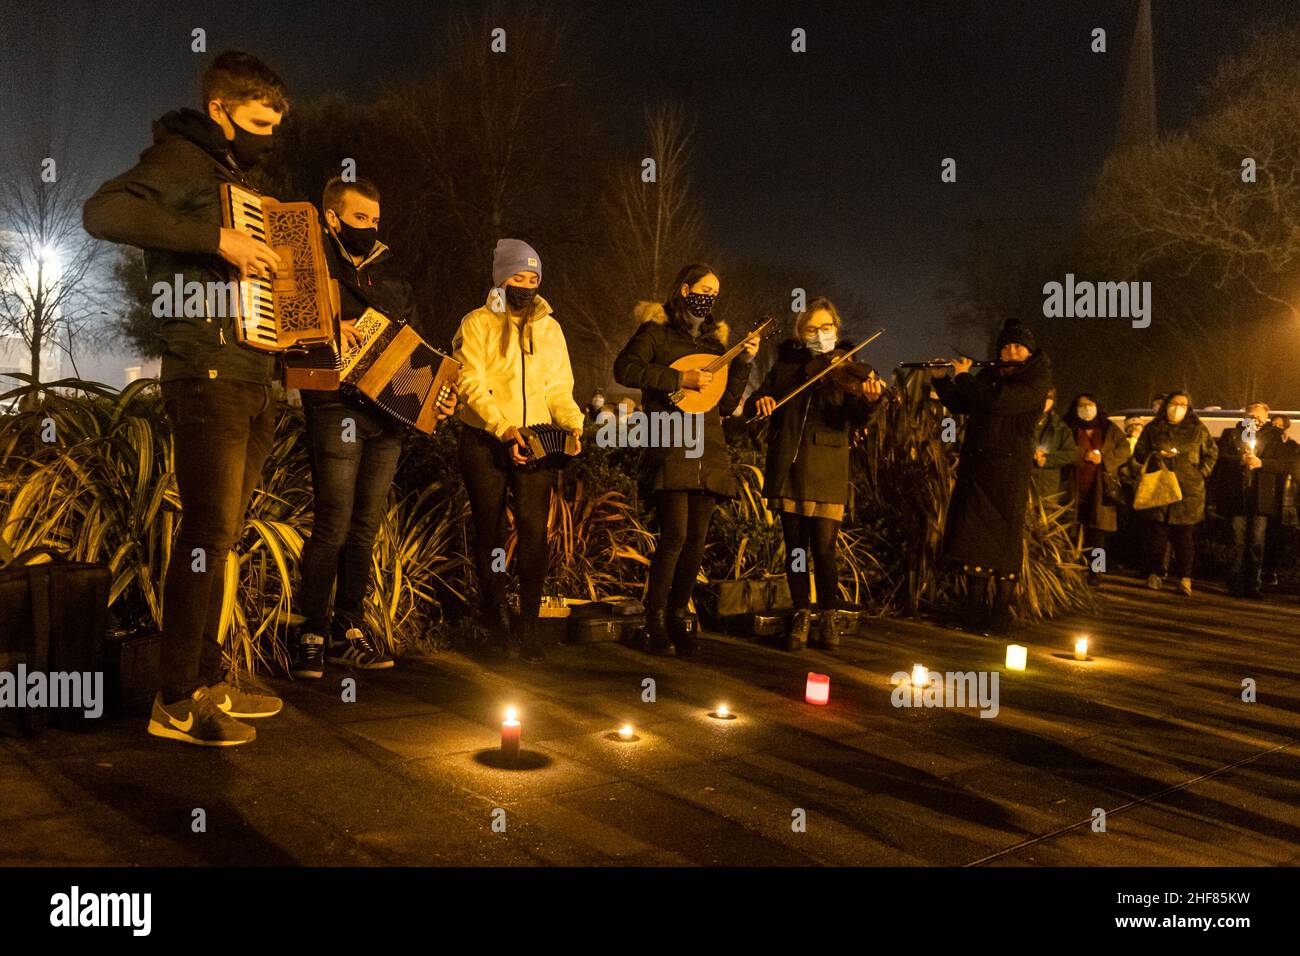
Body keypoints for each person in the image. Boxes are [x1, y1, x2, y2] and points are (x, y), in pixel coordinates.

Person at [83, 50, 290, 747]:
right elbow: (102, 211)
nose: (268, 137)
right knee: (206, 534)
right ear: (221, 110)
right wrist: (216, 238)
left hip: (251, 373)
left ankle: (207, 677)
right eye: (258, 122)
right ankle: (174, 699)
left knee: (222, 536)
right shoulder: (180, 159)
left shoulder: (233, 174)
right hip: (205, 370)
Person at [289, 176, 456, 679]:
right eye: (360, 219)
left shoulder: (393, 277)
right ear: (332, 218)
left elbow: (416, 348)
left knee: (364, 528)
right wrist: (325, 326)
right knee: (333, 524)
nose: (370, 228)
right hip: (334, 408)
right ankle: (309, 631)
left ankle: (348, 628)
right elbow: (290, 327)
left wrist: (437, 395)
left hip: (389, 418)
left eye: (376, 221)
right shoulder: (308, 263)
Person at [614, 264, 760, 656]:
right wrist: (680, 380)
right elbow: (625, 368)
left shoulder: (716, 346)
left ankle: (680, 617)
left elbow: (726, 405)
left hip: (708, 449)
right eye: (703, 289)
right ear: (684, 289)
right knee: (674, 537)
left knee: (696, 542)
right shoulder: (655, 332)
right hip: (670, 444)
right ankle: (654, 621)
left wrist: (744, 364)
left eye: (715, 292)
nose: (708, 298)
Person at [452, 239, 585, 662]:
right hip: (485, 439)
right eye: (518, 277)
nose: (526, 285)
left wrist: (573, 425)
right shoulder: (476, 323)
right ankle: (494, 623)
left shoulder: (550, 329)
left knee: (533, 532)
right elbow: (470, 381)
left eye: (533, 278)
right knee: (490, 533)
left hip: (538, 440)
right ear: (500, 278)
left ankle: (529, 626)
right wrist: (502, 427)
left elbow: (559, 386)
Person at [746, 297, 885, 651]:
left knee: (823, 549)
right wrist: (759, 402)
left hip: (827, 468)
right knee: (795, 549)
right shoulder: (787, 365)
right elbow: (759, 399)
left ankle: (828, 616)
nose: (820, 334)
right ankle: (801, 614)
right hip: (790, 466)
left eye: (826, 328)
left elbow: (855, 417)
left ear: (836, 330)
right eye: (811, 329)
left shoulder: (847, 368)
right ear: (800, 332)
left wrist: (870, 401)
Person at [931, 320, 1051, 635]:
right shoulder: (989, 376)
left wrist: (964, 377)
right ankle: (971, 610)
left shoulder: (1036, 379)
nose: (1011, 352)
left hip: (1010, 472)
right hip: (979, 469)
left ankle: (1000, 613)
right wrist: (943, 381)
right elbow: (963, 404)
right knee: (975, 540)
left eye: (1017, 346)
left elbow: (999, 402)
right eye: (1005, 346)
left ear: (1029, 350)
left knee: (1004, 543)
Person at [1131, 391, 1218, 596]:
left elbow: (1212, 452)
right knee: (1157, 534)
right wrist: (1155, 456)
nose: (1177, 407)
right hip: (1159, 486)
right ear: (1166, 405)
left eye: (1182, 404)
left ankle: (1184, 578)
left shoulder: (1197, 429)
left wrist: (1201, 472)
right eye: (1174, 403)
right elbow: (1139, 452)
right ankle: (1156, 572)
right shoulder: (1153, 428)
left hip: (1188, 490)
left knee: (1184, 537)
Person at [1210, 403, 1292, 598]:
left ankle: (1253, 585)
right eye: (1251, 416)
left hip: (1260, 499)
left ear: (1266, 418)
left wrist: (1261, 463)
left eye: (1259, 416)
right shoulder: (1233, 434)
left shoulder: (1274, 437)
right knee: (1236, 541)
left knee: (1256, 542)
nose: (1254, 420)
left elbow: (1283, 464)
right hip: (1238, 497)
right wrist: (1240, 461)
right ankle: (1234, 582)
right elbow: (1221, 458)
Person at [1062, 392, 1131, 588]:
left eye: (1089, 404)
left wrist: (1105, 458)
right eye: (1081, 405)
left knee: (1098, 537)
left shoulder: (1109, 428)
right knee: (1072, 534)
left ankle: (1096, 572)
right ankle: (1070, 570)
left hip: (1101, 492)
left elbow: (1124, 449)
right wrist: (1082, 454)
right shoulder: (1068, 426)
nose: (1086, 408)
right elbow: (1062, 448)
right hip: (1073, 489)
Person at [1263, 414, 1298, 586]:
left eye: (1279, 425)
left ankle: (1270, 571)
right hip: (1267, 495)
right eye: (1273, 424)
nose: (1276, 427)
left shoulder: (1292, 446)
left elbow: (1288, 465)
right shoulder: (1266, 442)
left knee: (1278, 538)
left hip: (1284, 497)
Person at [1030, 387, 1074, 503]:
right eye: (1041, 396)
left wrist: (1047, 459)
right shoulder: (1020, 423)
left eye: (1049, 398)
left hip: (1047, 485)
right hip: (1023, 481)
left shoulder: (1060, 427)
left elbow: (1069, 453)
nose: (1045, 401)